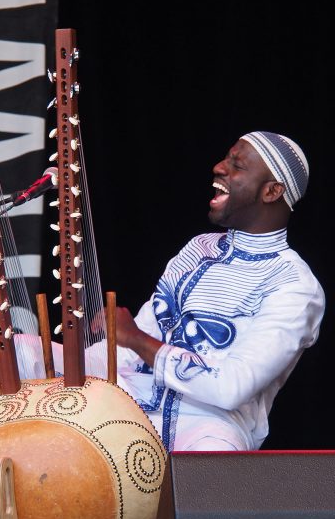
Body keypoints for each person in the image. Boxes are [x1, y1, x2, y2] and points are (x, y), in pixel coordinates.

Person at [89, 130, 325, 452]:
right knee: (24, 351)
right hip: (131, 410)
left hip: (209, 427)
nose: (218, 167)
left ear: (271, 191)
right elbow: (131, 346)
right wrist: (74, 366)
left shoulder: (295, 286)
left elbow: (230, 387)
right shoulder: (197, 248)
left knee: (213, 461)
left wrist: (136, 340)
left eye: (237, 165)